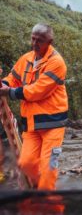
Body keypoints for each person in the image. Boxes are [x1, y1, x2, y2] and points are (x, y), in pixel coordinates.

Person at [0, 23, 68, 190]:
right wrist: (3, 84)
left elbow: (37, 91)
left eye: (40, 40)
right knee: (26, 164)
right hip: (30, 125)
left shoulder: (57, 63)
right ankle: (40, 195)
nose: (35, 43)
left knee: (48, 168)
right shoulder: (26, 58)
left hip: (53, 125)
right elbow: (13, 78)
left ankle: (50, 204)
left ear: (50, 41)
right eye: (33, 38)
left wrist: (8, 92)